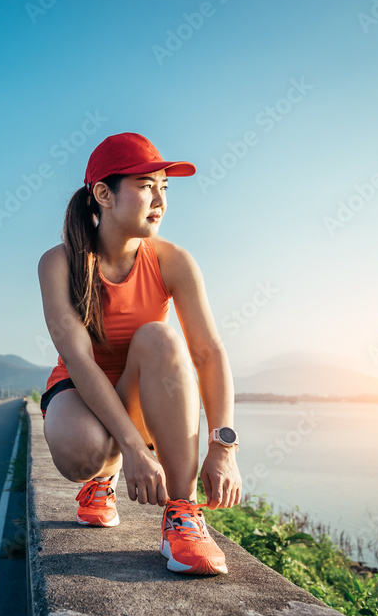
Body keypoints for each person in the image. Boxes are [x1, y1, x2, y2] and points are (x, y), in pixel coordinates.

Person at [36, 132, 242, 575]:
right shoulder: (59, 263)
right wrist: (132, 448)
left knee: (161, 338)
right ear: (104, 194)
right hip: (80, 387)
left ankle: (182, 516)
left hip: (140, 389)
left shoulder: (173, 260)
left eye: (164, 187)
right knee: (83, 452)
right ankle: (101, 479)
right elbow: (79, 361)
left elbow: (208, 352)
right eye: (147, 185)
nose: (160, 199)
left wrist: (223, 447)